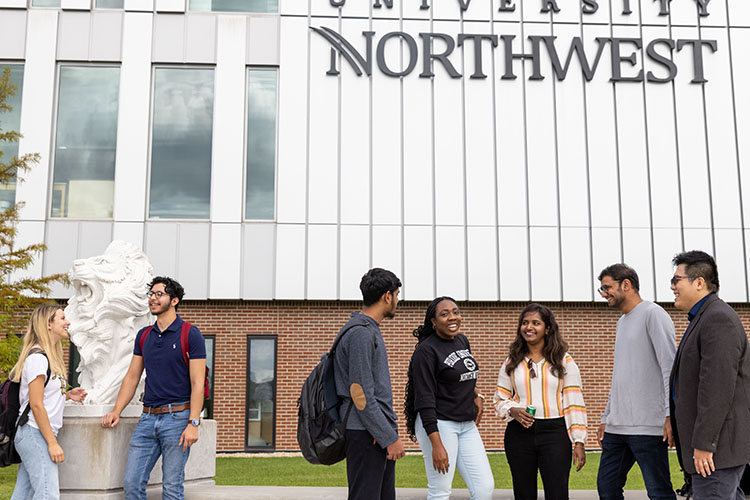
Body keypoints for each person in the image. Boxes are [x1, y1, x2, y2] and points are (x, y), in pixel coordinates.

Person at [102, 277, 207, 500]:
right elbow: (132, 377)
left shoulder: (190, 334)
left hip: (178, 419)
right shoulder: (144, 336)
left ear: (175, 300)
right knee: (132, 483)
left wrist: (194, 423)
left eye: (160, 294)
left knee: (171, 487)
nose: (153, 298)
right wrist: (116, 411)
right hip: (148, 418)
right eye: (151, 294)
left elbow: (198, 383)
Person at [669, 250, 750, 500]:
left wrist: (705, 444)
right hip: (716, 452)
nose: (672, 286)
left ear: (699, 282)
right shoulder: (704, 318)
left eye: (676, 280)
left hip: (716, 453)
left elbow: (716, 390)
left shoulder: (718, 319)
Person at [596, 264, 677, 500]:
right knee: (607, 488)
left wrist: (670, 414)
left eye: (607, 287)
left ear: (626, 284)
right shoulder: (622, 322)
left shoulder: (653, 314)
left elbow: (669, 367)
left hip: (649, 427)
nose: (603, 294)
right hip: (616, 427)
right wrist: (606, 417)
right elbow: (620, 376)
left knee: (659, 492)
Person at [404, 297, 495, 500]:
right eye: (444, 314)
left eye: (455, 312)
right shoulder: (426, 351)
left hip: (467, 425)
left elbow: (461, 375)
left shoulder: (462, 340)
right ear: (433, 322)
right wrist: (436, 444)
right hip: (440, 424)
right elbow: (424, 400)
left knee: (484, 487)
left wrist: (476, 393)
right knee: (440, 490)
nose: (452, 317)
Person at [494, 303, 587, 500]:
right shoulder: (512, 361)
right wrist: (513, 410)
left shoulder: (564, 360)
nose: (529, 327)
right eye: (525, 323)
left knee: (557, 494)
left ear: (547, 328)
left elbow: (574, 401)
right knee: (523, 494)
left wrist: (579, 441)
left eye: (536, 323)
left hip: (555, 434)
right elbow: (500, 399)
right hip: (519, 434)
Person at [333, 268, 405, 500]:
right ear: (387, 296)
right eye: (396, 295)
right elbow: (360, 393)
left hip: (373, 432)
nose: (397, 301)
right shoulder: (361, 334)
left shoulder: (368, 330)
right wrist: (389, 438)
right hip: (366, 433)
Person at [10, 304, 87, 500]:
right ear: (48, 324)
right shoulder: (38, 358)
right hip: (34, 433)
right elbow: (36, 405)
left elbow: (42, 396)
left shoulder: (48, 357)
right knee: (48, 495)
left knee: (24, 494)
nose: (67, 322)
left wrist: (68, 395)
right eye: (62, 318)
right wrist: (52, 443)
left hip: (36, 433)